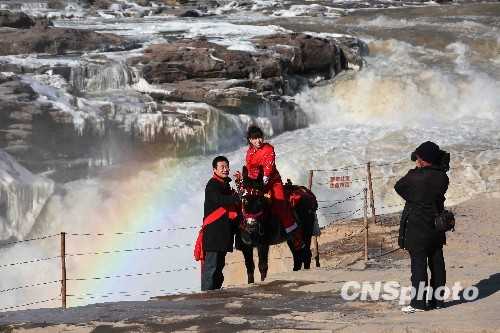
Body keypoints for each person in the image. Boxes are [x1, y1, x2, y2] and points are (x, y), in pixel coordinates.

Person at [394, 141, 449, 313]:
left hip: (418, 226)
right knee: (437, 263)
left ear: (423, 159)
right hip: (436, 225)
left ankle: (418, 303)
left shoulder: (415, 176)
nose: (416, 160)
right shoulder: (442, 177)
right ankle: (438, 301)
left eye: (418, 157)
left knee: (418, 266)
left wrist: (417, 171)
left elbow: (399, 186)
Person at [239, 125, 305, 252]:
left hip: (273, 182)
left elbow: (269, 167)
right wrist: (247, 183)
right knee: (246, 203)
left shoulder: (269, 149)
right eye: (255, 138)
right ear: (250, 140)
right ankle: (247, 233)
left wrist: (264, 179)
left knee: (280, 206)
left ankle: (296, 237)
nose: (258, 140)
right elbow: (250, 170)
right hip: (257, 183)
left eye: (260, 137)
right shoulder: (249, 153)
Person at [198, 156, 240, 291]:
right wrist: (235, 197)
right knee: (211, 269)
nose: (225, 169)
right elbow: (218, 199)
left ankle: (214, 295)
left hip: (222, 236)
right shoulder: (212, 185)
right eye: (222, 167)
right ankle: (206, 298)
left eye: (227, 166)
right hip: (214, 235)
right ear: (214, 169)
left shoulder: (225, 185)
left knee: (218, 269)